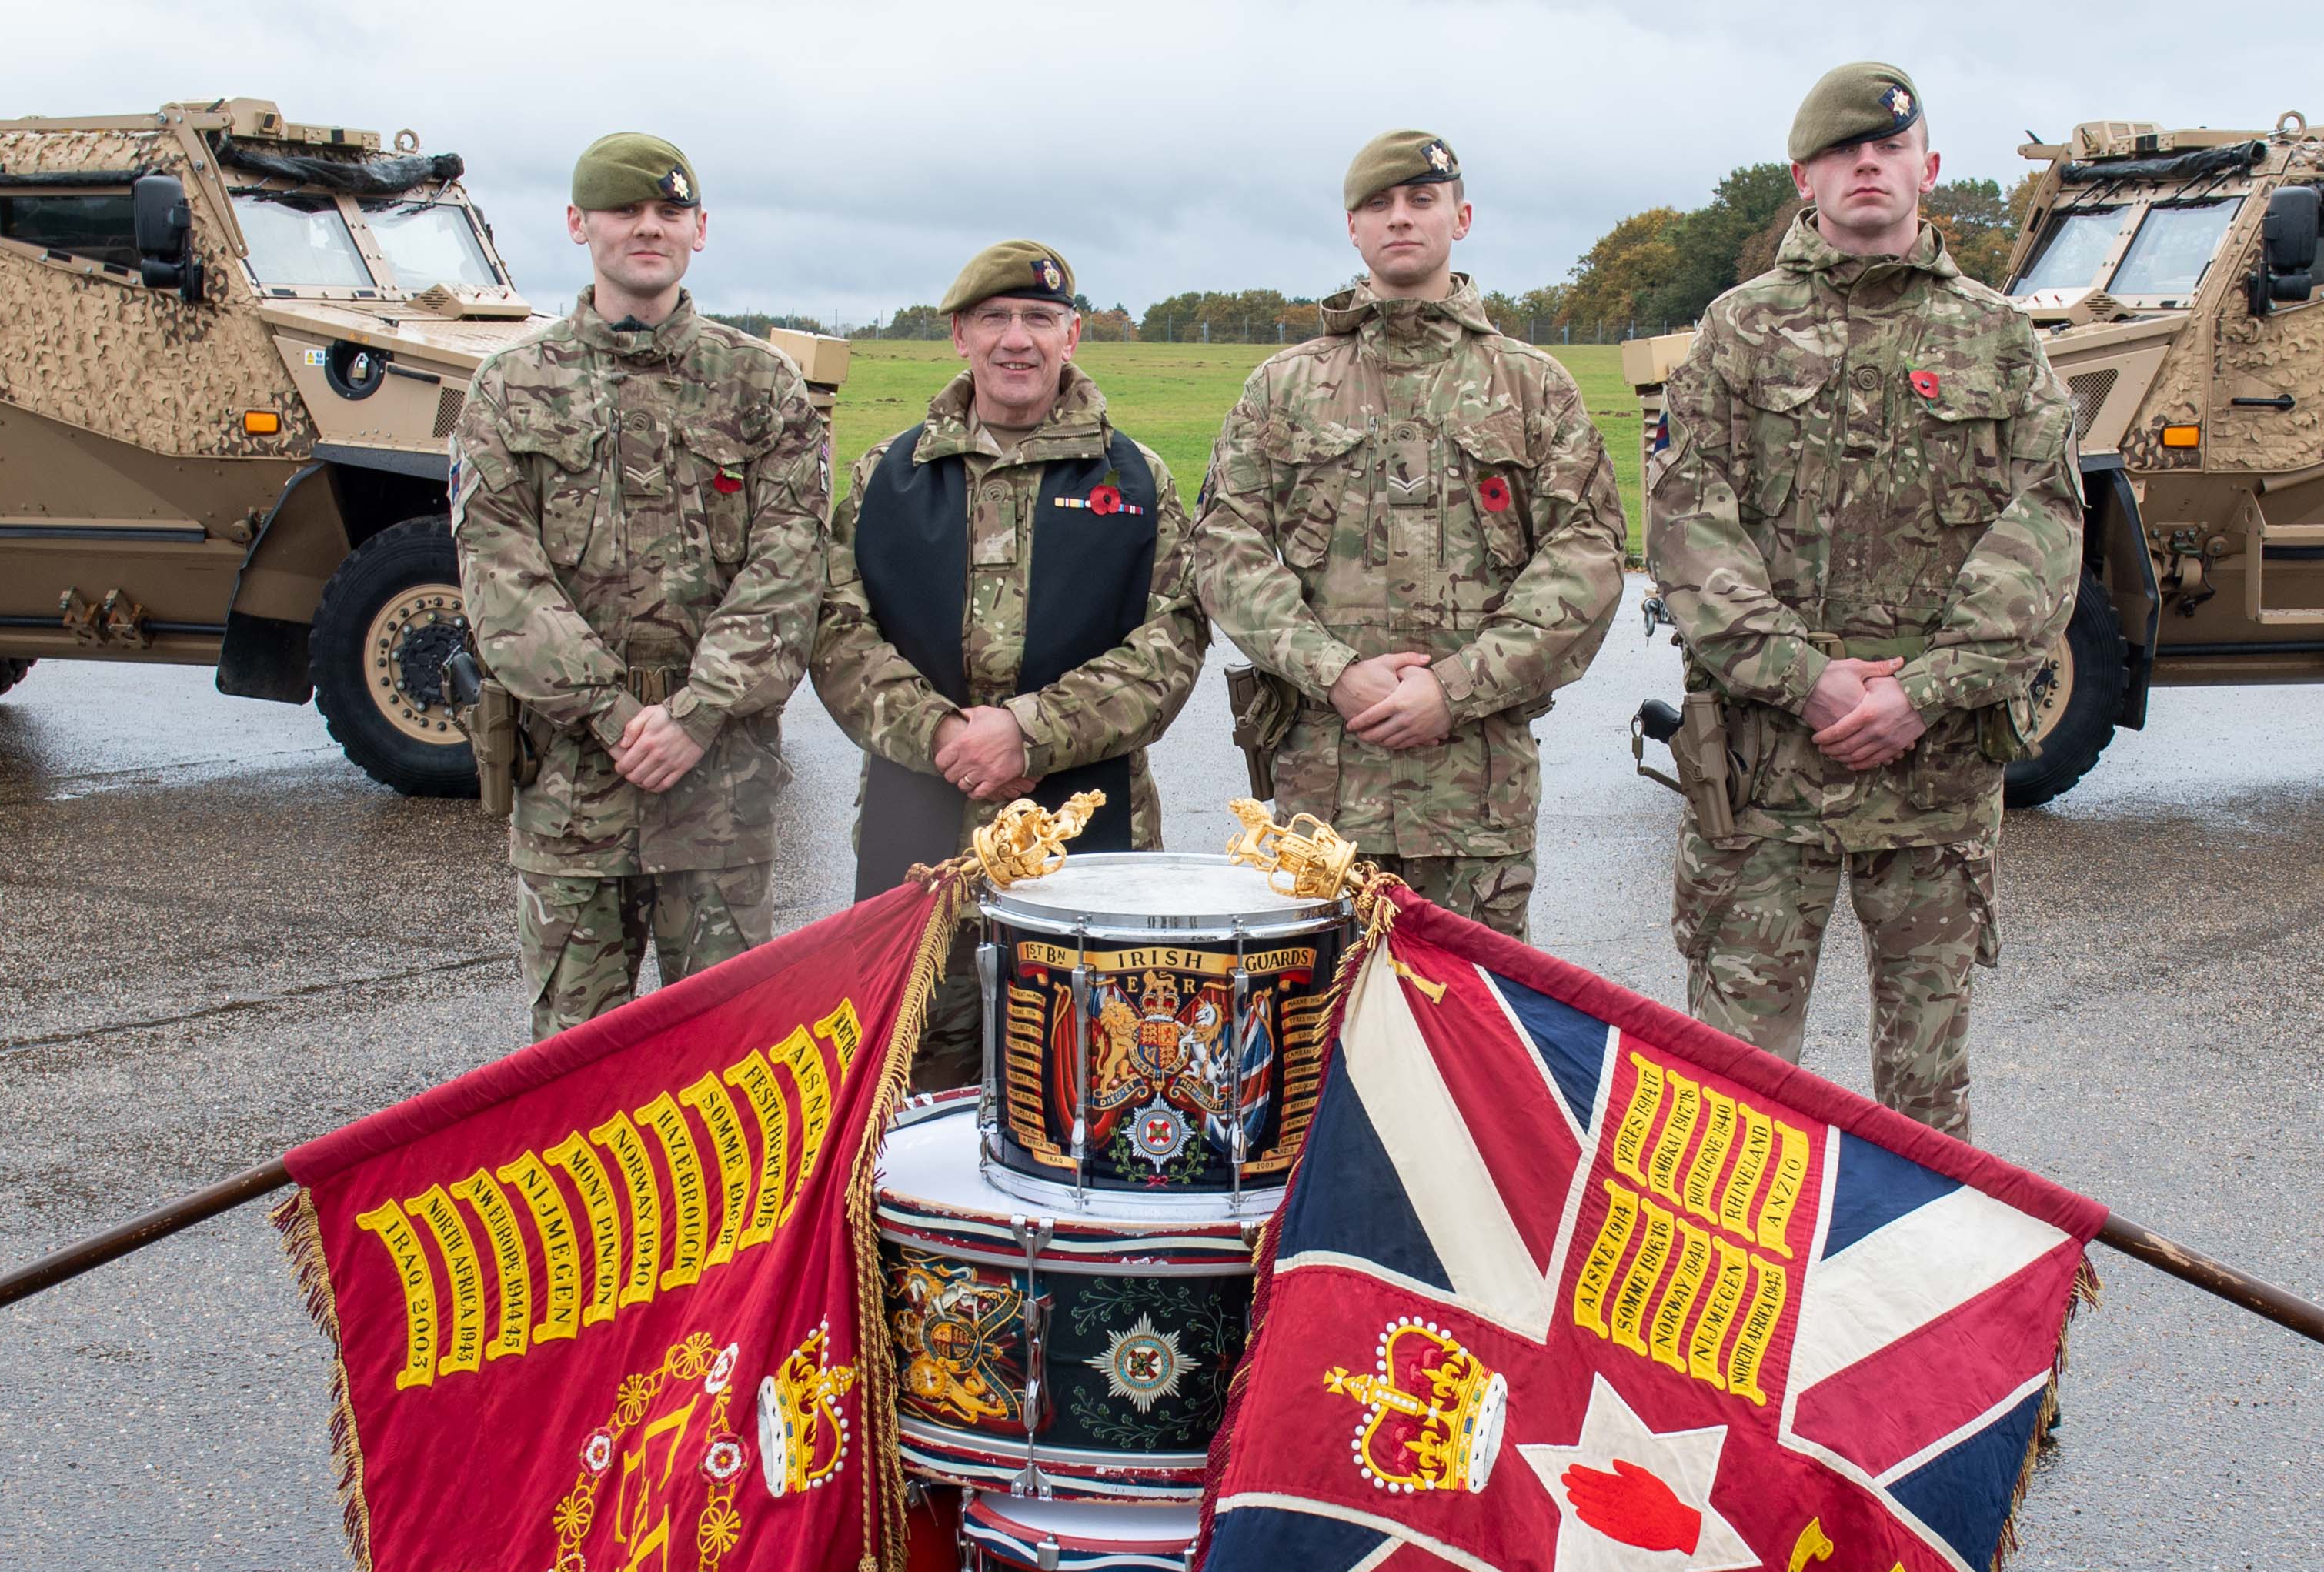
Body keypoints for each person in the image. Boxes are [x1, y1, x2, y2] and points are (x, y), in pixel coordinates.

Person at [1645, 64, 2082, 1137]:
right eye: (1845, 152)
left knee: (1928, 1092)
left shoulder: (1998, 339)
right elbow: (1689, 526)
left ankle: (1922, 1297)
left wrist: (1925, 691)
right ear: (1807, 177)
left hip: (1933, 770)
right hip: (1766, 765)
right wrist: (1811, 681)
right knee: (1732, 1085)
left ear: (1929, 170)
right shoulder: (1738, 333)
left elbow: (2045, 529)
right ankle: (1732, 1298)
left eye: (1889, 149)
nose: (1868, 165)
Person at [1190, 130, 1624, 940]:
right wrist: (1337, 672)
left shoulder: (1531, 386)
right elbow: (1224, 549)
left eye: (1421, 201)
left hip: (1476, 804)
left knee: (1473, 1043)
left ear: (1461, 218)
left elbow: (1586, 560)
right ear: (1352, 228)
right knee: (1317, 1045)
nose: (1401, 219)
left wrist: (1456, 686)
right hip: (1323, 800)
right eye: (1379, 205)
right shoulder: (1285, 387)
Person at [452, 132, 829, 1040]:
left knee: (732, 1065)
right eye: (625, 211)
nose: (647, 229)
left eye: (669, 212)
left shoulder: (761, 387)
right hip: (573, 784)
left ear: (701, 229)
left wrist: (697, 714)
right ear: (580, 225)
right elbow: (500, 578)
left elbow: (790, 571)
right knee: (574, 1071)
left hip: (721, 786)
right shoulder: (509, 390)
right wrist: (618, 718)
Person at [813, 239, 1207, 1090]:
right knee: (909, 1085)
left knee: (1086, 1079)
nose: (1017, 339)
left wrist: (1028, 734)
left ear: (1074, 336)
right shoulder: (887, 476)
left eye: (1040, 319)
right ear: (960, 335)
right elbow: (838, 633)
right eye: (995, 319)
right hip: (917, 834)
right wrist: (942, 733)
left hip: (1088, 843)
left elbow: (1170, 645)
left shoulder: (1137, 480)